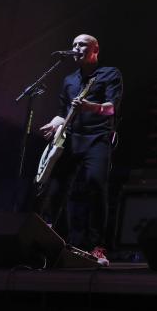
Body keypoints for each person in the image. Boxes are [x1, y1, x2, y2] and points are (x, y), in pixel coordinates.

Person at [36, 34, 123, 266]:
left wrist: (89, 106)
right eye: (74, 44)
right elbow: (63, 112)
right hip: (72, 138)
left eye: (82, 44)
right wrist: (53, 124)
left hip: (98, 138)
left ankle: (97, 246)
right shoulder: (69, 80)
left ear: (95, 49)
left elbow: (110, 109)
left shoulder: (109, 74)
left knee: (96, 186)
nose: (76, 48)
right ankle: (48, 241)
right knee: (55, 189)